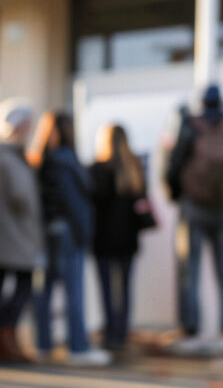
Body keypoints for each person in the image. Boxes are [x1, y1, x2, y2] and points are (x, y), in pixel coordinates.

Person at [165, 84, 223, 354]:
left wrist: (178, 195)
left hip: (194, 207)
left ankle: (192, 329)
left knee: (191, 271)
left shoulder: (192, 125)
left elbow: (174, 165)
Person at [29, 112, 110, 366]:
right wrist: (84, 232)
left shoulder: (42, 161)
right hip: (68, 231)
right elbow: (74, 201)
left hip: (49, 230)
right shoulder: (65, 160)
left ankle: (44, 343)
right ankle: (78, 346)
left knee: (45, 289)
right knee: (74, 290)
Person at [0, 100, 41, 364]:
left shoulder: (2, 152)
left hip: (8, 231)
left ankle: (4, 342)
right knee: (18, 286)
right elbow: (19, 196)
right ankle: (2, 342)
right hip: (11, 231)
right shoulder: (2, 154)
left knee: (3, 285)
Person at [90, 124, 150, 353]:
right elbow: (140, 203)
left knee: (107, 289)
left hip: (103, 240)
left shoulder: (97, 169)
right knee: (124, 289)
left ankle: (111, 334)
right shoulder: (133, 167)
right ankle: (121, 333)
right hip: (127, 240)